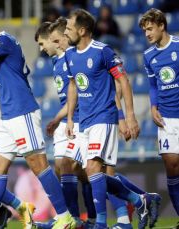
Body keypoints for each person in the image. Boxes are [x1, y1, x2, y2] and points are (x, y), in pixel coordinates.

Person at [0, 9, 76, 229]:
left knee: (38, 165)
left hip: (23, 112)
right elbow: (20, 72)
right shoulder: (2, 46)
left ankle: (65, 216)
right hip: (8, 115)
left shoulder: (3, 41)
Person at [64, 9, 158, 229]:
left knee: (94, 169)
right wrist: (70, 118)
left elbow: (123, 81)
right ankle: (140, 200)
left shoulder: (103, 51)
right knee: (90, 172)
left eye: (69, 28)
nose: (66, 31)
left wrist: (130, 117)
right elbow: (73, 85)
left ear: (82, 30)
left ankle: (102, 224)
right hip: (84, 120)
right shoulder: (70, 55)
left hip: (104, 117)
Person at [34, 20, 89, 229]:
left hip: (78, 119)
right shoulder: (57, 63)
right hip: (67, 119)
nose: (42, 48)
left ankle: (74, 217)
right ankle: (74, 217)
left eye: (42, 43)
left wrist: (59, 119)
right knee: (64, 168)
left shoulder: (70, 58)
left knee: (83, 169)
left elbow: (77, 96)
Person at [139, 8, 179, 227]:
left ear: (162, 26)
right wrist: (153, 106)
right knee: (171, 164)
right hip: (167, 117)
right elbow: (153, 84)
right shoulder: (148, 55)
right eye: (145, 30)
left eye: (150, 28)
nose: (147, 33)